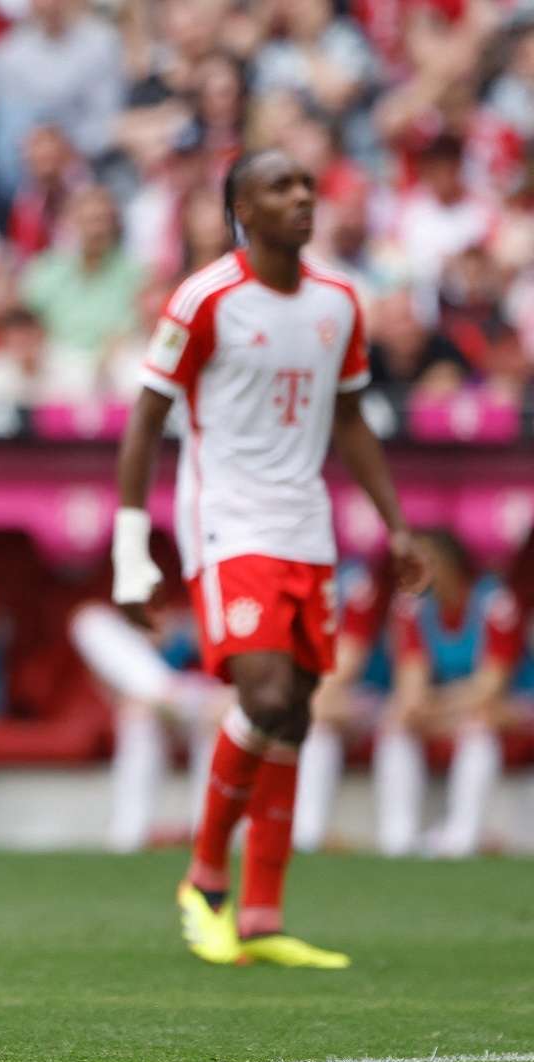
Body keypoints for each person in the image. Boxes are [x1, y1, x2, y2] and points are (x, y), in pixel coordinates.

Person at [114, 148, 426, 971]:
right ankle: (204, 880)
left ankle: (262, 915)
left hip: (305, 525)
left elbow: (352, 420)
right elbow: (146, 419)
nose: (300, 198)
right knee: (266, 687)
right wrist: (129, 550)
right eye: (279, 187)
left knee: (294, 713)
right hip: (226, 518)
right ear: (240, 210)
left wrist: (395, 526)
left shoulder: (338, 303)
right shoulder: (206, 297)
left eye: (306, 186)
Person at [372, 532, 526, 858]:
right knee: (399, 721)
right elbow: (411, 684)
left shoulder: (494, 603)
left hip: (505, 706)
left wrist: (439, 709)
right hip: (448, 710)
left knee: (480, 721)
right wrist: (423, 710)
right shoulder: (412, 606)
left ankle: (462, 835)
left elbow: (490, 686)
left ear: (449, 564)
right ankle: (397, 838)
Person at [69, 594, 230, 854]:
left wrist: (184, 630)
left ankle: (209, 836)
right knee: (90, 622)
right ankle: (129, 836)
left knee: (216, 722)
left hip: (211, 694)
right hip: (162, 695)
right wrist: (149, 632)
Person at [291, 558, 388, 854]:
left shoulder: (353, 581)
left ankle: (308, 832)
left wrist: (305, 699)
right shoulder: (276, 576)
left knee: (317, 722)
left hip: (362, 695)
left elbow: (348, 662)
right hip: (300, 694)